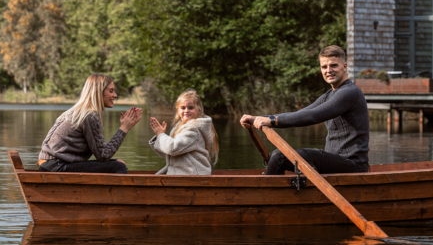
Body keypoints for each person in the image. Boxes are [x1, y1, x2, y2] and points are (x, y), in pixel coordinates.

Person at [240, 46, 369, 175]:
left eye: (333, 66)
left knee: (282, 158)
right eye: (324, 67)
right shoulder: (329, 95)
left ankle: (267, 194)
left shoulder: (349, 92)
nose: (328, 70)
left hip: (353, 165)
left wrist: (271, 120)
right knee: (278, 155)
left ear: (344, 66)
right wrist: (257, 118)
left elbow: (313, 116)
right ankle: (279, 192)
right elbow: (300, 113)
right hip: (335, 162)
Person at [38, 73, 142, 173]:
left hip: (49, 165)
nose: (115, 95)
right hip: (56, 166)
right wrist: (123, 129)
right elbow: (103, 155)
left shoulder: (78, 112)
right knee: (118, 167)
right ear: (98, 92)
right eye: (111, 91)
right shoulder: (89, 116)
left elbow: (102, 155)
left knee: (117, 164)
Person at [149, 89, 219, 175]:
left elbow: (173, 148)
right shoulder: (179, 128)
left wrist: (161, 134)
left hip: (192, 175)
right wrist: (158, 137)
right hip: (180, 174)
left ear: (198, 109)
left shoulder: (193, 130)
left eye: (191, 108)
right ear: (178, 110)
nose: (186, 110)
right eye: (183, 108)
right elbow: (167, 153)